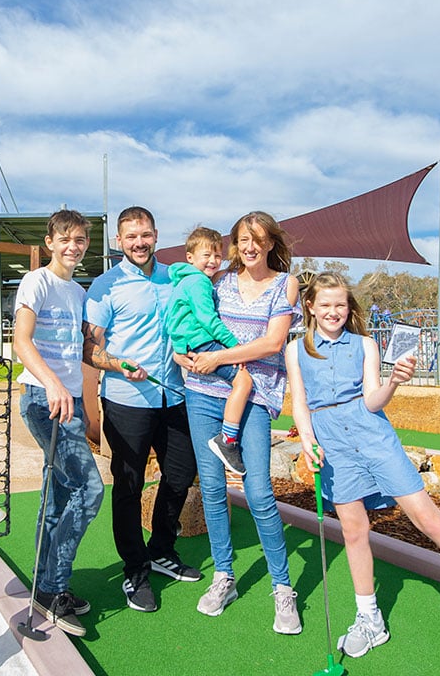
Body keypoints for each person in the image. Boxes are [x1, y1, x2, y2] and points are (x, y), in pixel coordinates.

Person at [284, 272, 440, 675]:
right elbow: (299, 403)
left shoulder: (366, 345)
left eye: (341, 304)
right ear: (311, 307)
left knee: (429, 520)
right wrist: (307, 440)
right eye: (326, 305)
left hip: (373, 436)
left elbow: (372, 400)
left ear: (349, 308)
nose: (333, 311)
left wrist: (392, 383)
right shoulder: (295, 350)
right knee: (354, 531)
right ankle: (370, 620)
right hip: (331, 445)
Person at [181, 211, 302, 635]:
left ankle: (283, 587)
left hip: (255, 396)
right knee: (213, 489)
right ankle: (224, 577)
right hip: (203, 394)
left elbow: (273, 342)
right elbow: (191, 322)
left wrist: (218, 357)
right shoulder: (217, 282)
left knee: (259, 492)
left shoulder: (285, 284)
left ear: (270, 243)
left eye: (258, 239)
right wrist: (184, 354)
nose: (250, 247)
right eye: (243, 240)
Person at [82, 206, 202, 614]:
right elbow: (90, 349)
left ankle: (161, 549)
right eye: (131, 236)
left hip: (177, 397)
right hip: (126, 402)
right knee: (129, 486)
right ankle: (135, 570)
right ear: (119, 241)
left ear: (155, 235)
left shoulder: (175, 277)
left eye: (145, 235)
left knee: (182, 474)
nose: (139, 243)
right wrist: (118, 364)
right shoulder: (105, 286)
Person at [13, 209, 105, 637]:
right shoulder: (38, 281)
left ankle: (42, 579)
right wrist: (51, 384)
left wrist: (116, 362)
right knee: (89, 489)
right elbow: (21, 342)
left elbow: (79, 351)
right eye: (66, 239)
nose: (74, 246)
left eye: (81, 240)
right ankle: (53, 587)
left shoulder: (78, 291)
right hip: (43, 398)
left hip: (67, 400)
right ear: (50, 242)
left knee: (60, 492)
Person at [166, 226, 253, 476]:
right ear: (190, 257)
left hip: (190, 343)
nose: (213, 261)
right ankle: (227, 440)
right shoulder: (199, 283)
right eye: (207, 255)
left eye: (217, 255)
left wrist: (179, 346)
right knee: (244, 381)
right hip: (202, 341)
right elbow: (208, 319)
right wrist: (236, 347)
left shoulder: (182, 281)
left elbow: (170, 319)